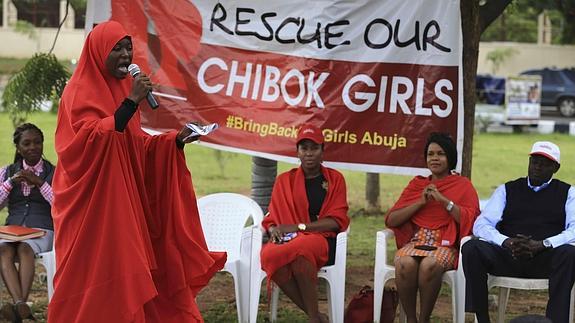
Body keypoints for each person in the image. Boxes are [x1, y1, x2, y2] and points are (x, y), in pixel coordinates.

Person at [50, 21, 226, 323]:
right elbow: (85, 145)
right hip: (89, 209)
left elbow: (135, 147)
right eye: (116, 48)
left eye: (128, 47)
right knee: (91, 281)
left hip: (121, 206)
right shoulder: (78, 91)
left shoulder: (122, 90)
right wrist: (131, 102)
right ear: (98, 51)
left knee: (128, 276)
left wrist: (175, 141)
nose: (125, 54)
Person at [462, 141, 575, 323]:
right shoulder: (507, 189)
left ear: (556, 168)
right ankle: (482, 318)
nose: (537, 167)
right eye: (534, 161)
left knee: (569, 253)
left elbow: (574, 229)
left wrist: (544, 244)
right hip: (509, 256)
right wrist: (506, 241)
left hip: (545, 259)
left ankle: (555, 320)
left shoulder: (568, 193)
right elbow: (482, 224)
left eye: (545, 164)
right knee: (472, 248)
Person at [385, 133, 480, 323]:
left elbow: (471, 220)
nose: (435, 158)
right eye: (430, 154)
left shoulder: (463, 185)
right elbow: (392, 219)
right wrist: (420, 203)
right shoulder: (417, 184)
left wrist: (443, 201)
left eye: (440, 154)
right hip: (416, 242)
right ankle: (411, 319)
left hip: (445, 244)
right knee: (405, 263)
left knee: (430, 265)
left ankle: (424, 319)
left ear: (450, 158)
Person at [260, 124, 350, 323]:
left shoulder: (335, 180)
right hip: (290, 241)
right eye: (304, 148)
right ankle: (316, 317)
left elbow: (336, 221)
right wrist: (274, 230)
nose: (309, 153)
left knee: (301, 252)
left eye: (314, 148)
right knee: (268, 255)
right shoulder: (284, 180)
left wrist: (298, 227)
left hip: (323, 241)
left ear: (322, 151)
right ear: (297, 152)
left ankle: (313, 318)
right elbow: (272, 219)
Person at [0, 123, 54, 322]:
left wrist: (40, 183)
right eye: (27, 143)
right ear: (18, 148)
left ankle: (16, 307)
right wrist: (9, 183)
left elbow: (61, 205)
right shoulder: (7, 172)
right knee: (4, 250)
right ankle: (21, 306)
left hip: (41, 231)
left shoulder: (54, 172)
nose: (33, 147)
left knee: (24, 249)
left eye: (37, 142)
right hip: (11, 231)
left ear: (42, 144)